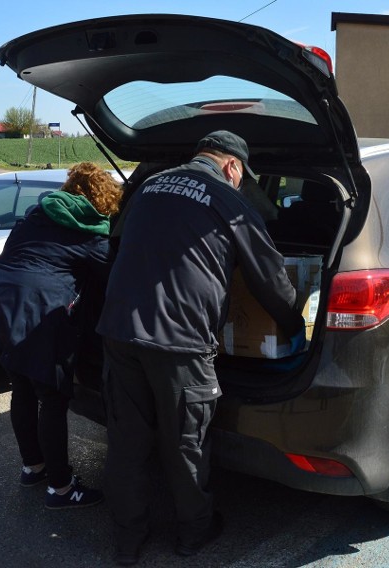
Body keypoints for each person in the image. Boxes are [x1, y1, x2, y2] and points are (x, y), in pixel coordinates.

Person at [97, 130, 305, 565]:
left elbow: (115, 247)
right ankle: (194, 532)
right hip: (180, 342)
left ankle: (127, 542)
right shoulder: (230, 202)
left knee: (127, 443)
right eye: (241, 177)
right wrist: (295, 330)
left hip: (118, 331)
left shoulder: (150, 186)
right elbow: (271, 280)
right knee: (186, 443)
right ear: (232, 166)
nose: (240, 183)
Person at [0, 161, 123, 510]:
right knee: (53, 398)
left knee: (23, 388)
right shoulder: (91, 232)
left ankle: (34, 467)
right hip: (36, 313)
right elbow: (113, 281)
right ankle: (61, 488)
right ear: (104, 198)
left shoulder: (35, 215)